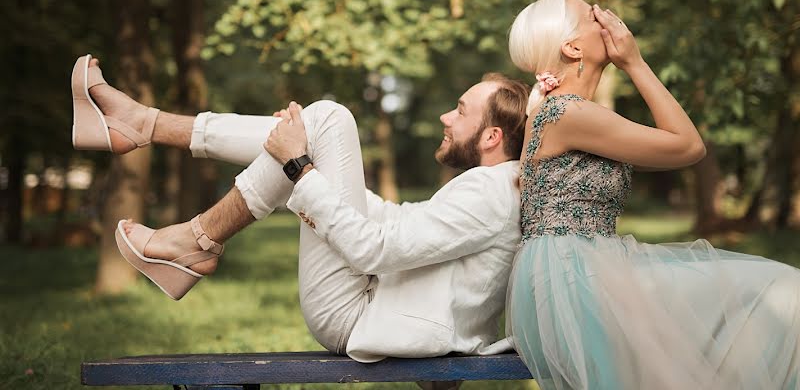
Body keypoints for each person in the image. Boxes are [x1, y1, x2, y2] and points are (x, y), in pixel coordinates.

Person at [504, 0, 800, 389]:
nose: (605, 17)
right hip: (578, 279)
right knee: (787, 290)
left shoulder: (566, 111)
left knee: (772, 300)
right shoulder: (567, 112)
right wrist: (635, 62)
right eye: (592, 15)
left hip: (579, 266)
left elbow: (674, 147)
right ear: (572, 47)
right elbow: (689, 146)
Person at [70, 54, 529, 362]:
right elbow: (393, 220)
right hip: (370, 303)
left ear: (491, 137)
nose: (447, 118)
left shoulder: (490, 194)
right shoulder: (491, 187)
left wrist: (298, 165)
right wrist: (306, 163)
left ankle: (192, 228)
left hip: (357, 316)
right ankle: (145, 130)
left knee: (328, 119)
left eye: (461, 110)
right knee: (318, 126)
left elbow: (374, 251)